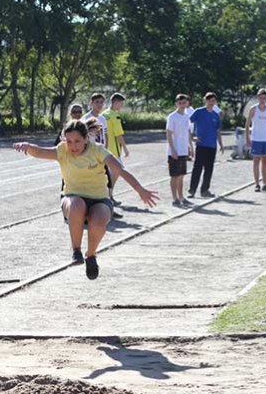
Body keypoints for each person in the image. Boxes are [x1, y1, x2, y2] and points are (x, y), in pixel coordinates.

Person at [13, 119, 159, 280]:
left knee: (98, 222)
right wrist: (27, 146)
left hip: (99, 199)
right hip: (72, 197)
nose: (73, 146)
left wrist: (140, 190)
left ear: (85, 139)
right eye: (69, 141)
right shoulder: (63, 150)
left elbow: (121, 170)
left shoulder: (97, 150)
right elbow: (41, 152)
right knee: (77, 205)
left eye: (77, 141)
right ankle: (76, 250)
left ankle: (91, 256)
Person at [188, 92, 224, 198]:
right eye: (209, 100)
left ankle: (205, 190)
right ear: (205, 100)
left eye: (213, 100)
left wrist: (221, 144)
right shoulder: (199, 112)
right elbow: (188, 123)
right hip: (201, 144)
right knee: (197, 168)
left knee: (209, 169)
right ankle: (192, 190)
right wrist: (192, 137)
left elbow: (218, 131)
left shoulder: (215, 115)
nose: (211, 102)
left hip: (211, 145)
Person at [244, 89, 266, 192]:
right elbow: (247, 123)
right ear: (258, 98)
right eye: (260, 97)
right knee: (256, 161)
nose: (262, 100)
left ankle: (265, 183)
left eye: (264, 98)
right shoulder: (253, 109)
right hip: (256, 138)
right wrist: (247, 137)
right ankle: (257, 184)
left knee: (265, 161)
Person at [166, 94, 194, 207]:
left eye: (184, 102)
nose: (182, 105)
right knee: (174, 175)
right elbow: (169, 133)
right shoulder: (172, 117)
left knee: (182, 175)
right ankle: (175, 198)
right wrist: (173, 149)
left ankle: (181, 196)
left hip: (183, 150)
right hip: (174, 150)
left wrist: (191, 147)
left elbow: (188, 133)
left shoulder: (187, 116)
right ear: (176, 103)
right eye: (180, 102)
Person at [103, 93, 129, 203]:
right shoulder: (115, 116)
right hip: (114, 150)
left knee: (107, 173)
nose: (121, 107)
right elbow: (119, 135)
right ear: (116, 102)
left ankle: (108, 194)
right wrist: (125, 148)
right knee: (117, 171)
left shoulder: (104, 114)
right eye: (121, 104)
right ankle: (109, 194)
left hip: (104, 148)